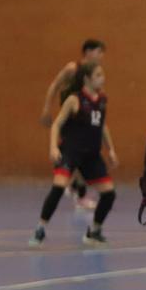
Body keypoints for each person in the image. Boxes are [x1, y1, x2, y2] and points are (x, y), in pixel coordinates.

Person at [29, 61, 118, 246]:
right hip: (71, 152)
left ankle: (94, 231)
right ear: (86, 79)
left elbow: (103, 126)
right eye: (98, 75)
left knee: (109, 193)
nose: (103, 78)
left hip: (91, 156)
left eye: (103, 74)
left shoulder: (102, 100)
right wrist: (53, 147)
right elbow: (57, 124)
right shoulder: (74, 99)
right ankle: (41, 228)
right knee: (59, 187)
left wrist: (110, 149)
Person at [40, 39, 107, 210]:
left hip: (84, 119)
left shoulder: (94, 75)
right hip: (70, 118)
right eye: (99, 52)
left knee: (85, 153)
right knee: (75, 152)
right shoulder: (72, 68)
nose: (101, 56)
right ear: (88, 52)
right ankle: (76, 189)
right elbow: (55, 85)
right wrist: (47, 109)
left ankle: (76, 188)